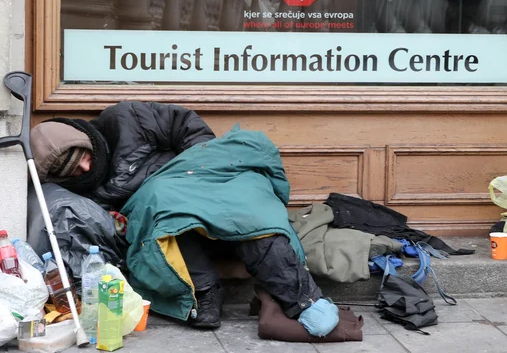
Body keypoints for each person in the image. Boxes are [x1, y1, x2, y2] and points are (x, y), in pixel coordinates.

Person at [29, 101, 338, 335]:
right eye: (71, 170)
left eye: (82, 157)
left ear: (85, 141)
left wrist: (196, 169)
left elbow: (185, 125)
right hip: (165, 212)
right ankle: (203, 294)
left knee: (244, 214)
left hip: (204, 178)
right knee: (163, 215)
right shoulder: (85, 193)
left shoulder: (126, 119)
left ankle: (303, 299)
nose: (84, 169)